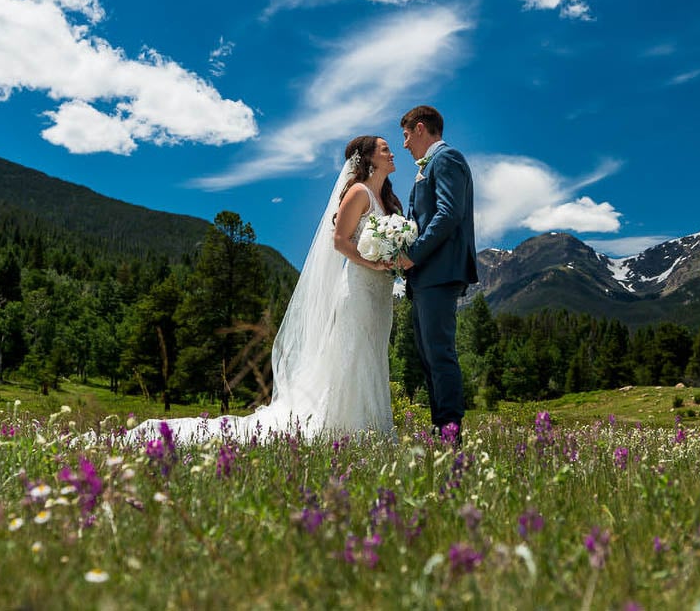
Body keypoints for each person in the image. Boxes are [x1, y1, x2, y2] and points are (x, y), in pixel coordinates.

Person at [120, 136, 401, 446]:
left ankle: (376, 428)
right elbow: (340, 241)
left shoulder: (389, 201)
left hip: (381, 292)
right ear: (369, 159)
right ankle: (347, 428)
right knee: (355, 354)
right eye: (385, 149)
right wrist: (370, 262)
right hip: (359, 289)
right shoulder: (358, 193)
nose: (392, 153)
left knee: (374, 354)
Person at [397, 105, 478, 440]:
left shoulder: (447, 158)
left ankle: (450, 431)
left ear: (419, 128)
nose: (403, 145)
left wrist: (413, 255)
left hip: (439, 272)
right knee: (429, 355)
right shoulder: (427, 166)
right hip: (425, 276)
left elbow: (448, 213)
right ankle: (439, 427)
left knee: (440, 353)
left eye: (405, 136)